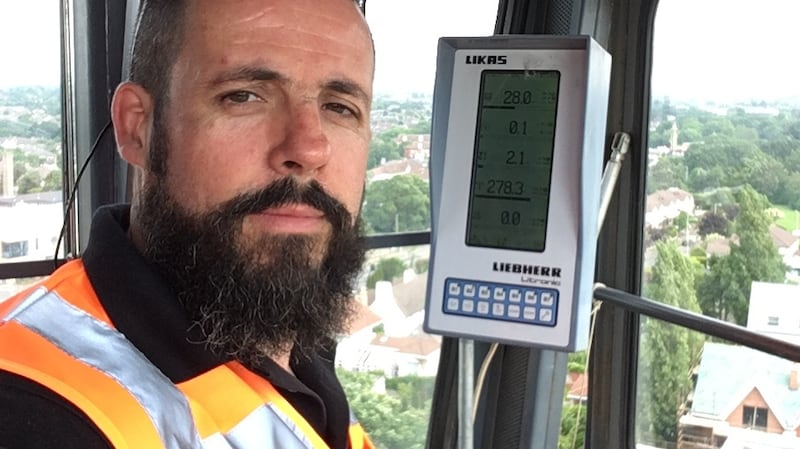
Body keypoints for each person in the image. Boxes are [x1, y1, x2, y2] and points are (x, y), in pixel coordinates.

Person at [0, 0, 376, 447]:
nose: (310, 148)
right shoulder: (29, 405)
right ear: (137, 128)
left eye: (340, 107)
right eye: (244, 96)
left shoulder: (280, 329)